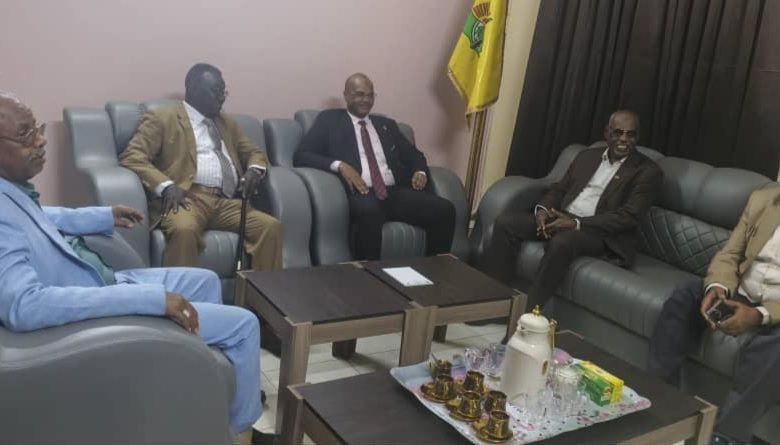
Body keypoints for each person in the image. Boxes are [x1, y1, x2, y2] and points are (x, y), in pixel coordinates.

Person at [0, 93, 272, 445]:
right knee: (244, 326)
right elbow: (25, 306)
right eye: (25, 135)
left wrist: (102, 215)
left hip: (100, 279)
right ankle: (240, 433)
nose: (40, 140)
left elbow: (40, 217)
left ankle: (199, 393)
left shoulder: (11, 192)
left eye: (37, 129)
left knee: (206, 282)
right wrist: (152, 301)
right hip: (94, 304)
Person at [478, 110, 663, 310]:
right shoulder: (588, 156)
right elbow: (559, 189)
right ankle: (493, 305)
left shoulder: (647, 172)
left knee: (562, 241)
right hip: (563, 217)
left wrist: (576, 224)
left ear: (638, 137)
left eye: (631, 134)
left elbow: (628, 217)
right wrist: (543, 210)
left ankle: (525, 315)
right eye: (618, 133)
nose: (624, 139)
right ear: (607, 133)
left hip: (600, 232)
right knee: (506, 223)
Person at [119, 63, 281, 271]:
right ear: (194, 88)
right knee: (184, 229)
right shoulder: (163, 118)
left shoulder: (226, 122)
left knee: (270, 227)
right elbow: (132, 156)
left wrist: (254, 170)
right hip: (187, 199)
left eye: (224, 92)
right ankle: (182, 292)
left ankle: (259, 293)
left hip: (227, 202)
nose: (222, 98)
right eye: (216, 91)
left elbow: (253, 152)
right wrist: (166, 186)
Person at [649, 188, 780, 444]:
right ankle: (661, 405)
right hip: (742, 291)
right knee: (685, 296)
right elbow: (730, 255)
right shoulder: (763, 200)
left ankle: (724, 436)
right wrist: (718, 287)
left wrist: (760, 315)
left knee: (774, 349)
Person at [293, 72, 455, 260]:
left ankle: (433, 269)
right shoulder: (330, 121)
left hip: (393, 192)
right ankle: (368, 273)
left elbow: (414, 155)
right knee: (370, 212)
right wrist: (340, 165)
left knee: (445, 210)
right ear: (346, 95)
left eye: (370, 95)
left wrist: (420, 171)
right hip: (360, 192)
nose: (366, 100)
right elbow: (302, 155)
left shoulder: (387, 125)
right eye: (360, 94)